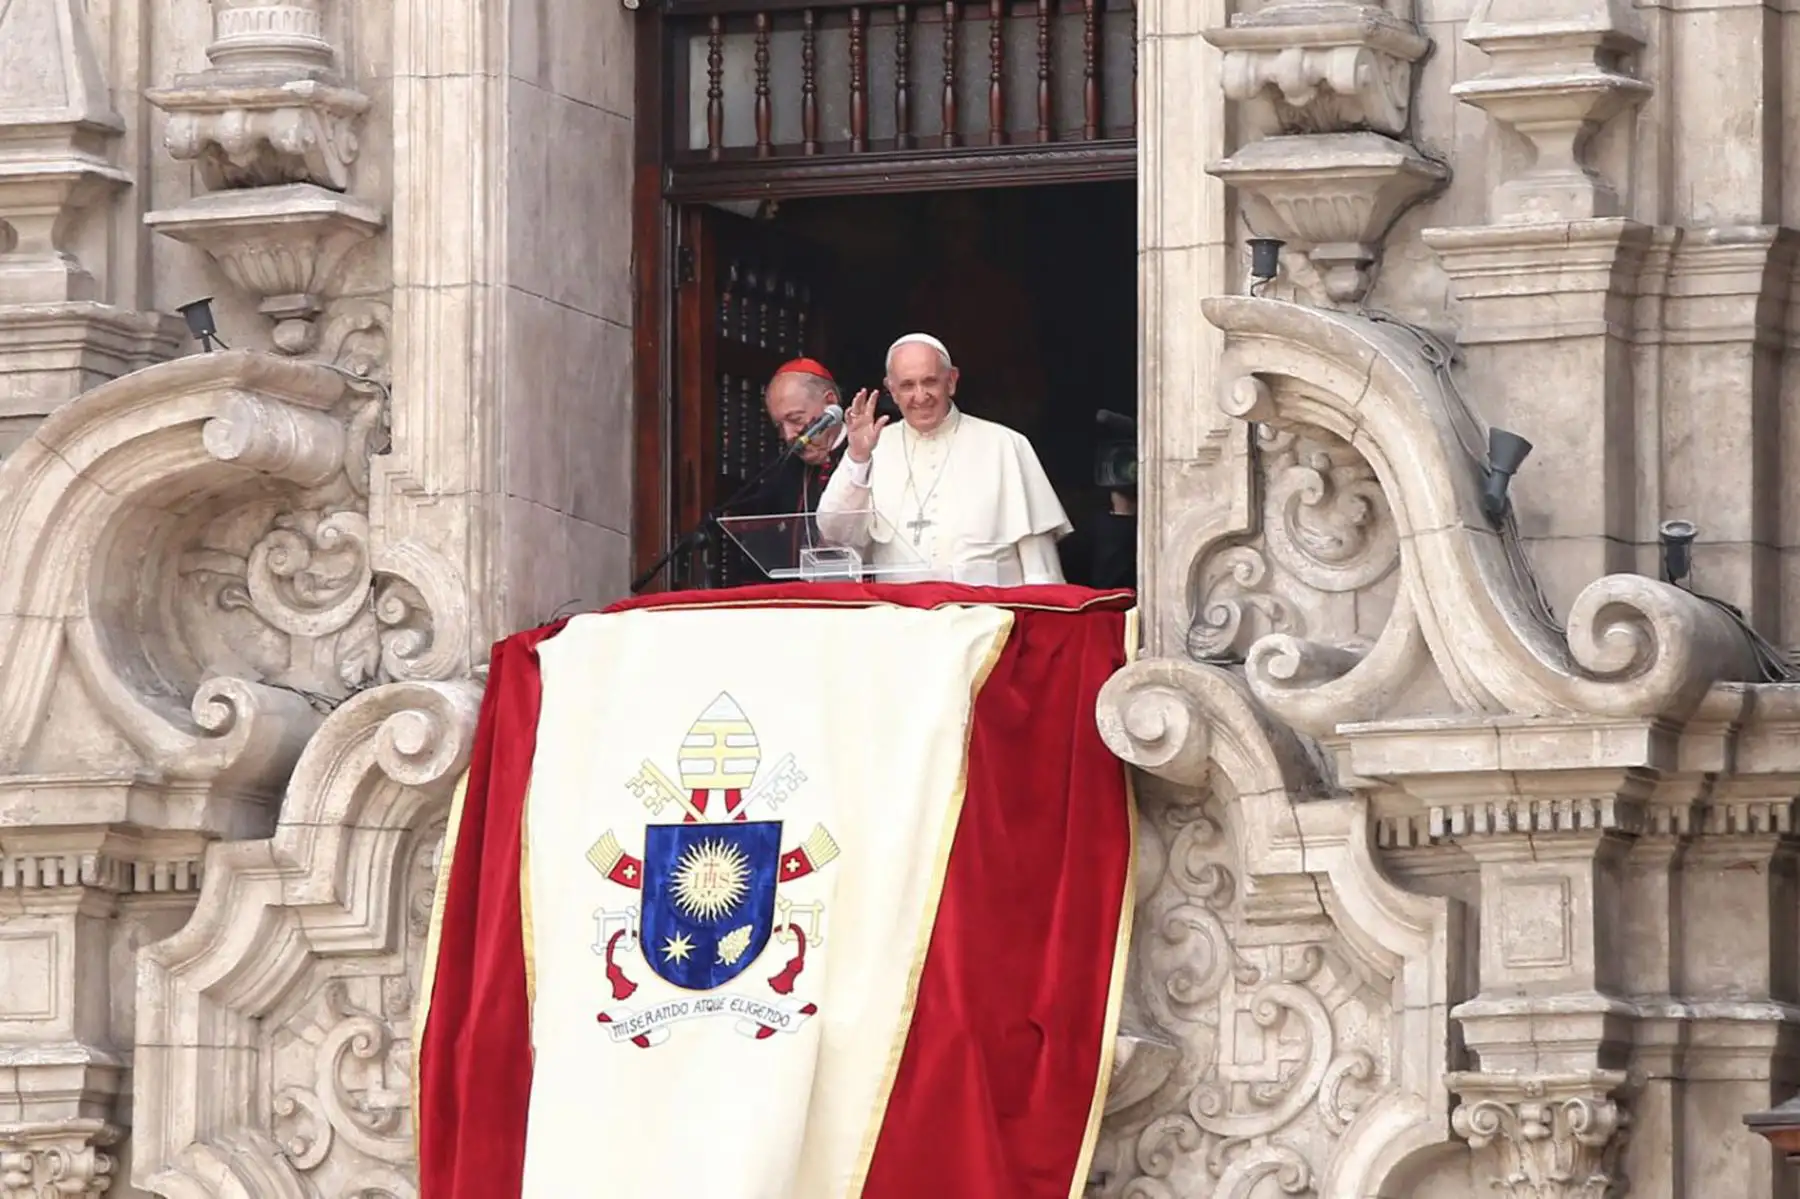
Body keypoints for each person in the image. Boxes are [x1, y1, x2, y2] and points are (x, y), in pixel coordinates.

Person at [815, 333, 1072, 585]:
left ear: (951, 381)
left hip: (993, 620)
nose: (920, 396)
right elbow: (836, 535)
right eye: (907, 385)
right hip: (901, 620)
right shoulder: (875, 449)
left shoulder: (1005, 445)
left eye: (930, 382)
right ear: (891, 391)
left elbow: (1041, 568)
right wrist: (857, 458)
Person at [743, 357, 849, 516]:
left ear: (830, 402)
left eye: (795, 419)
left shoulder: (874, 453)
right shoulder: (781, 475)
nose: (788, 435)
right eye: (779, 426)